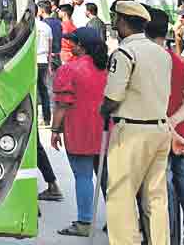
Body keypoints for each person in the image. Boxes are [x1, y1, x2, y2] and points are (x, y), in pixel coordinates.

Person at [101, 0, 172, 245]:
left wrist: (103, 110)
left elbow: (113, 96)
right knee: (156, 197)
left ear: (121, 22)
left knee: (121, 195)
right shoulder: (162, 54)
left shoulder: (125, 52)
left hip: (131, 130)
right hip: (160, 129)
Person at [147, 9, 184, 245]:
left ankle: (167, 238)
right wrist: (175, 124)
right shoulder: (176, 60)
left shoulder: (146, 60)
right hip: (181, 133)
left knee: (164, 189)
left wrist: (167, 126)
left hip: (158, 134)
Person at [50, 26, 109, 237]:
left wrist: (55, 130)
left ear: (81, 46)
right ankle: (118, 219)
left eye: (73, 42)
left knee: (83, 176)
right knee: (107, 178)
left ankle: (84, 222)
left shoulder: (69, 69)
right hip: (105, 130)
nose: (69, 44)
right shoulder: (107, 68)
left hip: (79, 130)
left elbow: (62, 105)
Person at [36, 2, 55, 124]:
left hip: (32, 61)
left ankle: (35, 117)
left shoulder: (29, 27)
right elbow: (50, 47)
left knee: (32, 91)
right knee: (44, 91)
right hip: (43, 61)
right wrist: (49, 64)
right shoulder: (46, 27)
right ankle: (47, 118)